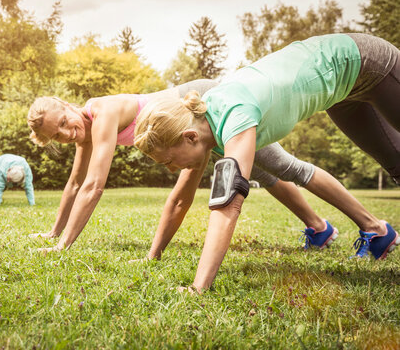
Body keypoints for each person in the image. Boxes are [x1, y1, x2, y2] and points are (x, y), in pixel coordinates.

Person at [133, 33, 400, 292]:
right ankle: (379, 233)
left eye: (168, 161)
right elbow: (181, 199)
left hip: (364, 62)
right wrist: (153, 255)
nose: (170, 169)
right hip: (342, 92)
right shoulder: (208, 128)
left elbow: (228, 205)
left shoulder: (234, 116)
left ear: (189, 137)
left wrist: (198, 287)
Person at [27, 80, 339, 252]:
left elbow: (94, 186)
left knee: (284, 166)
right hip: (182, 127)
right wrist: (55, 233)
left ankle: (367, 227)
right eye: (57, 136)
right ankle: (319, 228)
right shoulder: (85, 131)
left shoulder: (103, 113)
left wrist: (64, 247)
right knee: (263, 172)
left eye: (64, 122)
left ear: (67, 105)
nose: (67, 134)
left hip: (195, 106)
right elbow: (74, 185)